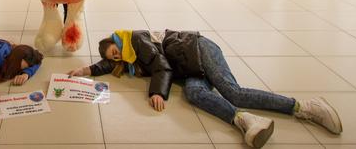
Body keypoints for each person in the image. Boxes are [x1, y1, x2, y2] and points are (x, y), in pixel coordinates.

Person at [69, 31, 342, 149]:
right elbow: (107, 63)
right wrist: (85, 71)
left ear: (119, 42)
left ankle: (304, 107)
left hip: (198, 49)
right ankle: (245, 120)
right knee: (195, 94)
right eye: (114, 58)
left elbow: (162, 66)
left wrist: (157, 92)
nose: (117, 58)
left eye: (116, 53)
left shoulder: (136, 40)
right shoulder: (127, 57)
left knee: (232, 91)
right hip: (189, 70)